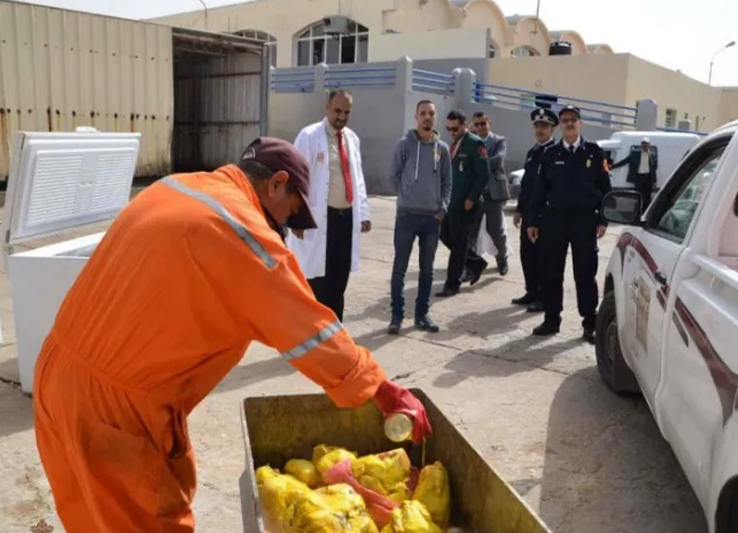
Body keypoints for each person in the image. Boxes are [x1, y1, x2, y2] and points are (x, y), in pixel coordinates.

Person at [33, 137, 432, 533]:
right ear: (276, 183)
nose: (284, 231)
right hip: (113, 415)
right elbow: (312, 332)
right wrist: (383, 391)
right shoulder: (241, 231)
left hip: (56, 376)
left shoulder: (173, 188)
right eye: (288, 216)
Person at [529, 105, 611, 344]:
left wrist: (603, 220)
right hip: (555, 219)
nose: (569, 123)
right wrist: (533, 221)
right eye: (565, 120)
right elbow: (539, 190)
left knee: (585, 273)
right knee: (551, 271)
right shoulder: (550, 154)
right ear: (560, 125)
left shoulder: (595, 153)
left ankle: (589, 323)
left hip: (585, 220)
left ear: (580, 123)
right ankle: (551, 319)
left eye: (573, 120)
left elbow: (606, 189)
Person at [289, 90, 371, 321]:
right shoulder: (309, 136)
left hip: (345, 218)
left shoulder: (352, 139)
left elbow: (358, 179)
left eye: (346, 112)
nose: (341, 117)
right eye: (337, 110)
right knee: (317, 281)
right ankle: (315, 334)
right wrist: (296, 215)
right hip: (319, 217)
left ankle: (335, 332)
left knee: (339, 278)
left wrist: (363, 212)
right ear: (327, 107)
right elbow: (296, 178)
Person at [388, 100, 452, 335]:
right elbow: (394, 176)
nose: (427, 117)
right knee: (400, 268)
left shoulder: (442, 149)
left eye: (431, 114)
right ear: (416, 116)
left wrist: (441, 208)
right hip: (407, 216)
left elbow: (447, 182)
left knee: (427, 269)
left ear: (435, 118)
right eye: (423, 113)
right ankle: (396, 317)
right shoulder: (404, 145)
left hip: (432, 219)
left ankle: (422, 315)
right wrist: (407, 197)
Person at [436, 109, 490, 298]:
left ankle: (452, 284)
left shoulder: (475, 144)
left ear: (465, 125)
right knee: (445, 236)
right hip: (451, 203)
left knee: (459, 244)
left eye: (455, 128)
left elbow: (483, 175)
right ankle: (475, 262)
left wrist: (471, 198)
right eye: (448, 129)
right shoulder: (454, 145)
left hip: (467, 204)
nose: (451, 132)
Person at [512, 107, 557, 312]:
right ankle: (531, 291)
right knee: (527, 255)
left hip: (545, 215)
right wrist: (520, 209)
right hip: (529, 212)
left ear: (552, 129)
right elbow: (527, 185)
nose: (540, 130)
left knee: (542, 258)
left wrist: (539, 217)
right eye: (537, 126)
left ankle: (542, 296)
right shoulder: (533, 152)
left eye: (545, 126)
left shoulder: (555, 153)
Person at [462, 111, 510, 285]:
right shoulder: (471, 141)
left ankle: (502, 256)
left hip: (493, 193)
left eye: (483, 123)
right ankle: (470, 266)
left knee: (496, 231)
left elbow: (498, 161)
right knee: (470, 232)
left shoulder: (499, 141)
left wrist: (478, 164)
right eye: (477, 124)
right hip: (474, 194)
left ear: (488, 123)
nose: (480, 127)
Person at [611, 137, 658, 210]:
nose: (645, 145)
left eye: (646, 144)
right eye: (643, 144)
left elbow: (654, 168)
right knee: (638, 195)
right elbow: (625, 161)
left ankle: (646, 212)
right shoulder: (635, 154)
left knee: (647, 197)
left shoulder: (651, 155)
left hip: (648, 178)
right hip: (639, 177)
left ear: (649, 145)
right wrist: (612, 166)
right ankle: (637, 211)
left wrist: (654, 180)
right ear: (641, 145)